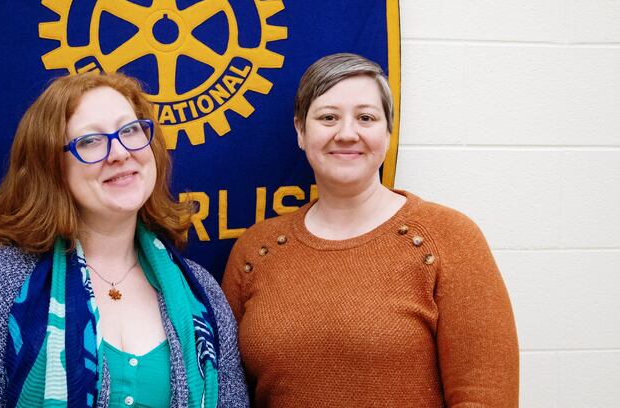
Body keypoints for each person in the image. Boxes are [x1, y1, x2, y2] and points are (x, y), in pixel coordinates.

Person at [0, 72, 248, 407]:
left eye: (130, 130)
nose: (120, 153)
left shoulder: (199, 291)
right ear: (52, 166)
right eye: (90, 141)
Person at [222, 53, 519, 407]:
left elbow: (484, 397)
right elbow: (228, 392)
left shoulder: (448, 238)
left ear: (388, 133)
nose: (347, 134)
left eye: (366, 117)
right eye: (328, 117)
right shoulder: (256, 250)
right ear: (301, 131)